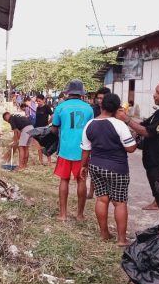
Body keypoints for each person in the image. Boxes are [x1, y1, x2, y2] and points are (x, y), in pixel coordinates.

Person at [80, 93, 137, 246]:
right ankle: (121, 239)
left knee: (101, 199)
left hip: (96, 166)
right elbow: (131, 148)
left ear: (101, 105)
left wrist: (83, 166)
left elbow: (86, 150)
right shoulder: (119, 125)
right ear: (117, 108)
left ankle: (104, 233)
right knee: (119, 203)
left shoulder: (90, 124)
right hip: (117, 168)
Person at [116, 80, 159, 215]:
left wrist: (126, 119)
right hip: (156, 162)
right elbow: (143, 126)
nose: (154, 95)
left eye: (158, 93)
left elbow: (147, 132)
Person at [52, 79, 94, 221]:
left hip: (65, 150)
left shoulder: (61, 107)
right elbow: (91, 129)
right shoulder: (89, 109)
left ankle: (63, 215)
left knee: (64, 180)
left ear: (68, 92)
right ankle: (80, 215)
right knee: (81, 181)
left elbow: (54, 128)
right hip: (83, 151)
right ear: (81, 93)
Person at [87, 87, 110, 199]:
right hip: (94, 141)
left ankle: (107, 191)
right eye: (98, 98)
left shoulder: (113, 110)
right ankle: (91, 191)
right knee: (94, 167)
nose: (100, 101)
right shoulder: (93, 110)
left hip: (109, 142)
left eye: (102, 98)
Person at [34, 94, 54, 165]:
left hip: (44, 129)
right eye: (37, 101)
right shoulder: (37, 108)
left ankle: (49, 161)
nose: (38, 103)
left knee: (46, 145)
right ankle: (40, 160)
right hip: (36, 128)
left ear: (43, 100)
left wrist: (48, 123)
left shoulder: (47, 107)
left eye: (39, 101)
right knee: (38, 146)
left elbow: (52, 116)